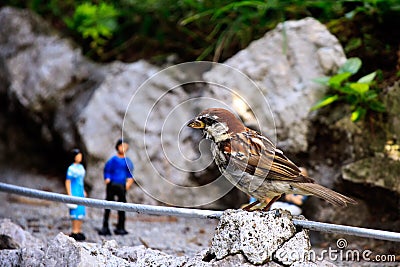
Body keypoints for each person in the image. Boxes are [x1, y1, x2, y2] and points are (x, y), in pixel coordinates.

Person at [98, 138, 134, 235]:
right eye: (121, 146)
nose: (123, 148)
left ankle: (121, 227)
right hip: (112, 184)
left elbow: (130, 173)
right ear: (117, 147)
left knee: (122, 206)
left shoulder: (128, 161)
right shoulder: (113, 160)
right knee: (108, 205)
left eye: (125, 146)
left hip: (122, 186)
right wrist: (107, 178)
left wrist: (129, 182)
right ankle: (105, 226)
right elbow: (107, 170)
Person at [65, 148, 87, 241]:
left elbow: (81, 181)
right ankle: (74, 231)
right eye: (78, 156)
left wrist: (84, 190)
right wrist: (69, 193)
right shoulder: (71, 169)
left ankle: (78, 230)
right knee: (75, 211)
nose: (80, 157)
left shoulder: (81, 167)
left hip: (80, 191)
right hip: (74, 191)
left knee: (81, 211)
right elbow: (68, 181)